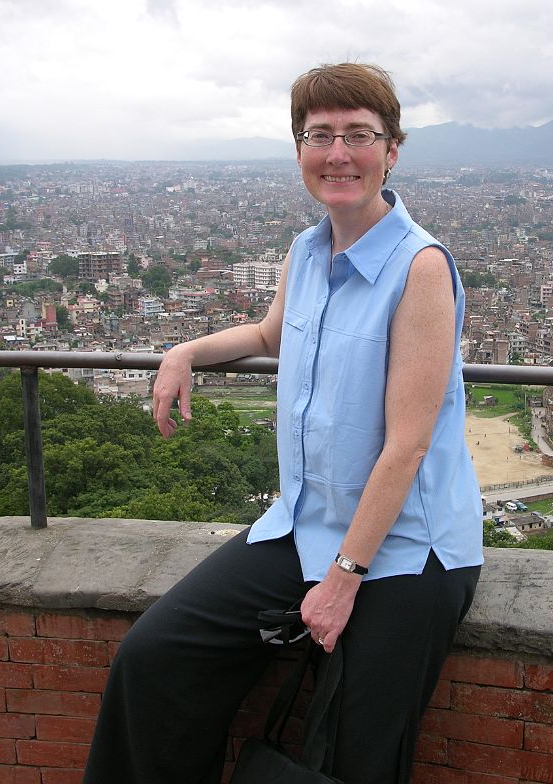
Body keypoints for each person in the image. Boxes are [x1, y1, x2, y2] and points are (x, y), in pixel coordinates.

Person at [83, 62, 483, 784]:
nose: (338, 154)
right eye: (319, 135)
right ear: (299, 150)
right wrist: (186, 352)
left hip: (404, 548)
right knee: (155, 660)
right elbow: (273, 334)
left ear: (392, 150)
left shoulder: (420, 268)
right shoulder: (306, 249)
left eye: (358, 135)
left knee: (354, 753)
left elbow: (408, 445)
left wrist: (343, 580)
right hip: (308, 522)